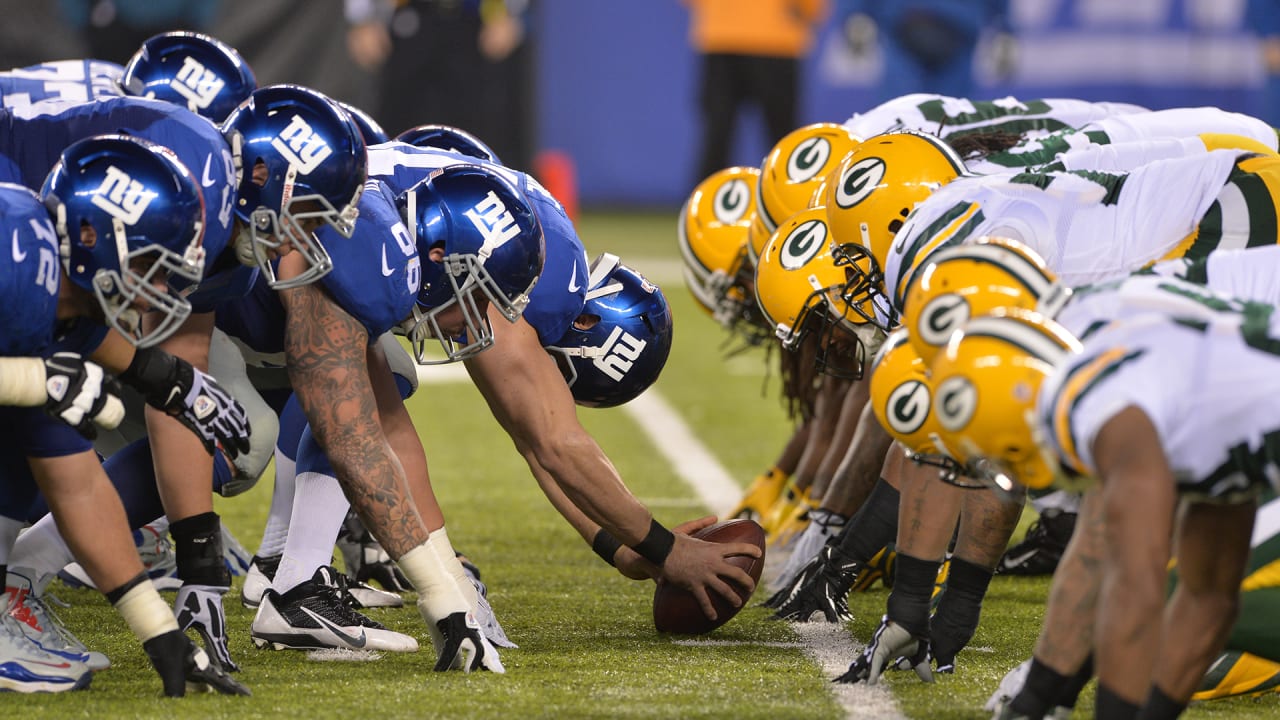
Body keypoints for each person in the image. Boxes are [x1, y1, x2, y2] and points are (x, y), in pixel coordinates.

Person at [0, 83, 366, 673]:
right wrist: (30, 379)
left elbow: (171, 389)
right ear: (271, 180)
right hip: (19, 241)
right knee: (43, 399)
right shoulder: (29, 237)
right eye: (307, 215)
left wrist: (198, 579)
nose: (305, 241)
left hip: (48, 273)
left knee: (60, 413)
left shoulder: (218, 245)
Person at [931, 277, 1280, 717]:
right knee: (1202, 582)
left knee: (1149, 582)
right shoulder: (1113, 337)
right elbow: (1209, 600)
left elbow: (1137, 587)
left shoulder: (1102, 406)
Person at [0, 139, 247, 696]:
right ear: (90, 237)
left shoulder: (65, 319)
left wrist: (160, 634)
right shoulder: (10, 242)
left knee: (37, 433)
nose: (158, 289)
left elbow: (80, 489)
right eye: (149, 264)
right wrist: (29, 381)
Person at [345, 0, 536, 171]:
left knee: (490, 137)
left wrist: (512, 11)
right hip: (407, 18)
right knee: (399, 135)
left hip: (481, 21)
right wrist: (363, 16)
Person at [682, 0, 831, 183]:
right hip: (776, 36)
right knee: (782, 138)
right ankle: (793, 200)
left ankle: (703, 205)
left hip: (724, 36)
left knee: (718, 133)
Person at [835, 0, 1014, 103]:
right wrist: (855, 14)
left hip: (958, 37)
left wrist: (1005, 30)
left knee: (954, 120)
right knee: (898, 114)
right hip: (904, 32)